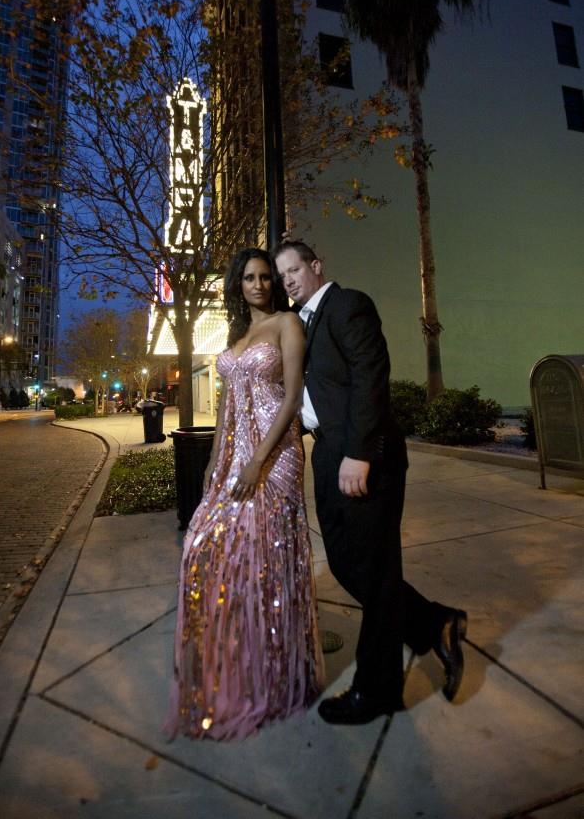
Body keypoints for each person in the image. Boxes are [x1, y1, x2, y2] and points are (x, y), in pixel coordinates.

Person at [273, 239, 467, 726]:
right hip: (328, 451)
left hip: (362, 456)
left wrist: (360, 454)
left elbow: (370, 378)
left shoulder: (348, 304)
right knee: (345, 563)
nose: (289, 280)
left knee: (376, 572)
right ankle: (433, 622)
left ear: (316, 266)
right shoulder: (302, 321)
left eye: (294, 270)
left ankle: (377, 690)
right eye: (283, 276)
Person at [165, 248, 323, 740]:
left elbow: (293, 397)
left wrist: (258, 460)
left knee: (267, 558)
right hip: (234, 455)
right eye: (250, 278)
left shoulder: (286, 326)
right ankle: (237, 666)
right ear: (238, 285)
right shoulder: (236, 337)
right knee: (202, 546)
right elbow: (230, 405)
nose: (259, 284)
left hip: (276, 455)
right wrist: (216, 457)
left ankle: (275, 678)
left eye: (265, 277)